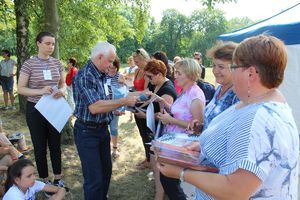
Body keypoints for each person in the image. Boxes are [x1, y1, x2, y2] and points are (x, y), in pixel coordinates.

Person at [158, 35, 299, 199]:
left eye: (233, 67)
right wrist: (203, 144)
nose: (230, 72)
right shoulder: (265, 101)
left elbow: (235, 190)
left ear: (251, 73)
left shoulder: (257, 120)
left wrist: (181, 173)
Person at [72, 41, 137, 200]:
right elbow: (94, 107)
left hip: (102, 130)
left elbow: (102, 101)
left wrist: (113, 108)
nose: (111, 65)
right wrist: (122, 102)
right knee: (94, 179)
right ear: (100, 57)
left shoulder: (100, 74)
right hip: (87, 132)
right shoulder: (85, 75)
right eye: (109, 61)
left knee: (106, 172)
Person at [17, 32, 67, 190]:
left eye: (53, 44)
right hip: (36, 110)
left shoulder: (57, 63)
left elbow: (63, 84)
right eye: (47, 43)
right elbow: (21, 89)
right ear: (38, 43)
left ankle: (58, 178)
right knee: (39, 147)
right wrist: (40, 91)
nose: (51, 46)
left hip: (54, 108)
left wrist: (63, 91)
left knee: (55, 145)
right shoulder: (29, 64)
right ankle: (45, 181)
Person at [155, 59, 205, 200]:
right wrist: (162, 101)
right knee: (168, 182)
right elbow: (178, 111)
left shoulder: (195, 95)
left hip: (182, 148)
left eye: (178, 73)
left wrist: (170, 120)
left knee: (171, 184)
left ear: (189, 74)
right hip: (174, 145)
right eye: (175, 72)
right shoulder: (185, 91)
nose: (174, 76)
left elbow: (197, 128)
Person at [144, 59, 177, 200]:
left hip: (163, 133)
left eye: (150, 76)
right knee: (154, 163)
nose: (148, 79)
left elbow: (167, 115)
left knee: (160, 166)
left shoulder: (167, 89)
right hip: (155, 132)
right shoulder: (155, 85)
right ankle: (160, 190)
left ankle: (160, 193)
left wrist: (144, 114)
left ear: (159, 74)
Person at [202, 41, 239, 128]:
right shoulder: (219, 89)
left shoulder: (237, 95)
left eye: (221, 67)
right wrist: (201, 127)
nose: (215, 71)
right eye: (214, 65)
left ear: (235, 67)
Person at [132, 48, 151, 169]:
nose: (136, 63)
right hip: (136, 104)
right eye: (135, 61)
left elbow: (146, 91)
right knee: (141, 133)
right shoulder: (137, 71)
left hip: (145, 105)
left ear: (144, 59)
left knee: (146, 133)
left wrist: (132, 95)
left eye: (138, 61)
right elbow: (135, 87)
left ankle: (150, 159)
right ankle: (147, 157)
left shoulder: (148, 72)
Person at [106, 57, 125, 159]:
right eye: (110, 67)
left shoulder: (120, 76)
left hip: (115, 107)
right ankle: (105, 148)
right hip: (105, 106)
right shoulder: (104, 75)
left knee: (113, 128)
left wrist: (120, 109)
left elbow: (123, 94)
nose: (112, 70)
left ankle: (115, 148)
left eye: (114, 68)